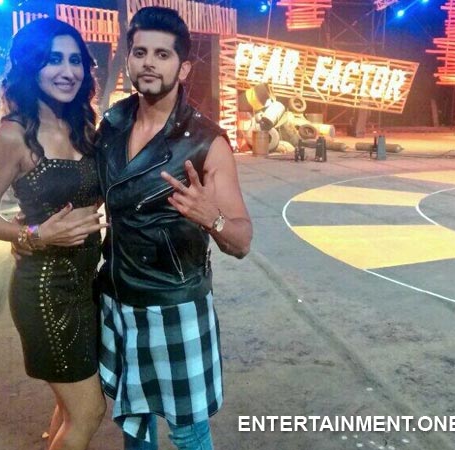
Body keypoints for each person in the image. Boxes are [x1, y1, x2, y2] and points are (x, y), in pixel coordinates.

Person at [96, 7, 253, 450]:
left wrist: (212, 217)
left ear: (182, 68)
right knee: (134, 424)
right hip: (116, 296)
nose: (149, 63)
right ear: (129, 60)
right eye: (140, 52)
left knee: (188, 431)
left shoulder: (206, 141)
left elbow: (242, 241)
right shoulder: (112, 124)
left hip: (174, 305)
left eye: (162, 54)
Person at [0, 18, 108, 450]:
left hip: (86, 283)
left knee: (69, 408)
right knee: (89, 410)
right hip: (45, 290)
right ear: (32, 68)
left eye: (75, 60)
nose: (68, 71)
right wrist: (33, 235)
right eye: (53, 60)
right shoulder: (12, 135)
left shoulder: (84, 126)